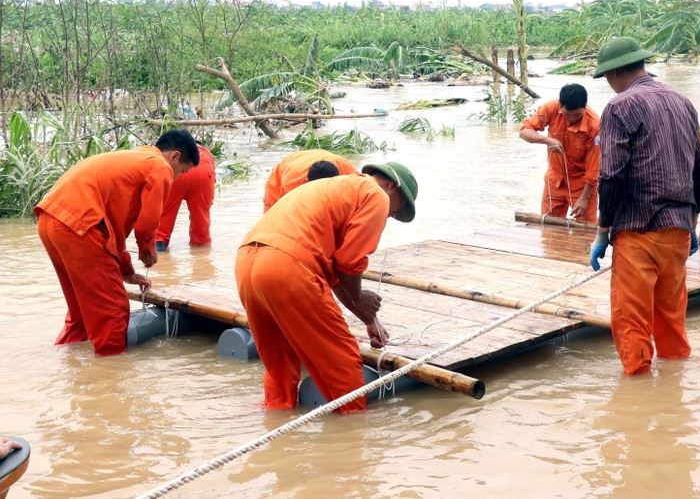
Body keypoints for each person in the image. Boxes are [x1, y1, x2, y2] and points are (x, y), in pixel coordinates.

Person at [235, 161, 418, 412]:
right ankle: (350, 435)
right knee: (342, 361)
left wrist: (368, 318)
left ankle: (277, 421)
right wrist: (359, 296)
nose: (393, 214)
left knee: (280, 360)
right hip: (288, 266)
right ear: (392, 186)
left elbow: (333, 272)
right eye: (400, 208)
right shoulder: (376, 195)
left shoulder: (335, 187)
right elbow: (350, 262)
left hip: (248, 261)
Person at [589, 37, 700, 376]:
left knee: (632, 319)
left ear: (614, 73)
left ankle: (638, 396)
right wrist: (693, 219)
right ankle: (675, 389)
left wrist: (602, 231)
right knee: (671, 316)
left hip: (638, 229)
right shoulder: (682, 101)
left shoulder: (620, 106)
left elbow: (610, 177)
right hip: (678, 231)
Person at [35, 130, 199, 355]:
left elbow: (114, 229)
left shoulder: (134, 158)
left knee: (82, 311)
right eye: (182, 171)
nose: (177, 178)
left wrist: (127, 271)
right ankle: (109, 381)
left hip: (51, 220)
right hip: (81, 226)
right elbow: (147, 223)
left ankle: (67, 362)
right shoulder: (160, 167)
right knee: (113, 311)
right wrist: (148, 250)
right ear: (174, 156)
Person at [520, 83, 601, 222]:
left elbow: (595, 168)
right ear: (560, 105)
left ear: (585, 107)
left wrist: (584, 198)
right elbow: (524, 131)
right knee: (548, 229)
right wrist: (546, 140)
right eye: (567, 114)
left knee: (585, 232)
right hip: (554, 181)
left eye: (577, 115)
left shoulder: (595, 125)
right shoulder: (551, 108)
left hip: (582, 185)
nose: (571, 119)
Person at [155, 143, 216, 251]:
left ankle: (159, 252)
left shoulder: (168, 150)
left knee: (164, 216)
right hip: (203, 172)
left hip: (176, 172)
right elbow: (211, 194)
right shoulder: (206, 153)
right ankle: (202, 255)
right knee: (201, 220)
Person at [262, 149, 357, 212]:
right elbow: (292, 214)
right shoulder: (293, 185)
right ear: (307, 182)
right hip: (289, 169)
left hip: (322, 158)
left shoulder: (350, 177)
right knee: (273, 216)